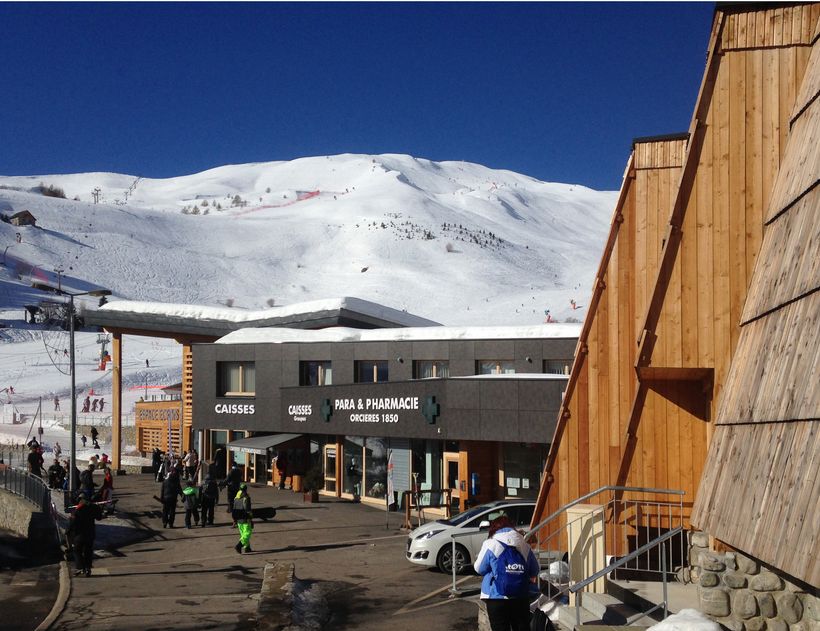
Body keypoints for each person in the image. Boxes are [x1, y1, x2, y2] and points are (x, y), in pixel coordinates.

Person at [474, 515, 540, 631]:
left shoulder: (490, 543)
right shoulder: (524, 545)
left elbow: (479, 568)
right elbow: (535, 570)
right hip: (520, 596)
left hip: (496, 597)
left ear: (494, 529)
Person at [66, 496, 103, 577]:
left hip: (79, 535)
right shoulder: (92, 508)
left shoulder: (77, 510)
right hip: (90, 534)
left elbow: (72, 523)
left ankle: (80, 567)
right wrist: (98, 508)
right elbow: (99, 517)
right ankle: (88, 568)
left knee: (77, 550)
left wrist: (68, 531)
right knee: (88, 551)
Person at [232, 482, 253, 553]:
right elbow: (248, 510)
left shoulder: (235, 498)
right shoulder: (246, 498)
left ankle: (247, 548)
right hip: (245, 519)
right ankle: (239, 545)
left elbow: (234, 510)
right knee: (247, 533)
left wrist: (234, 520)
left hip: (238, 519)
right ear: (245, 490)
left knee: (243, 534)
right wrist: (251, 517)